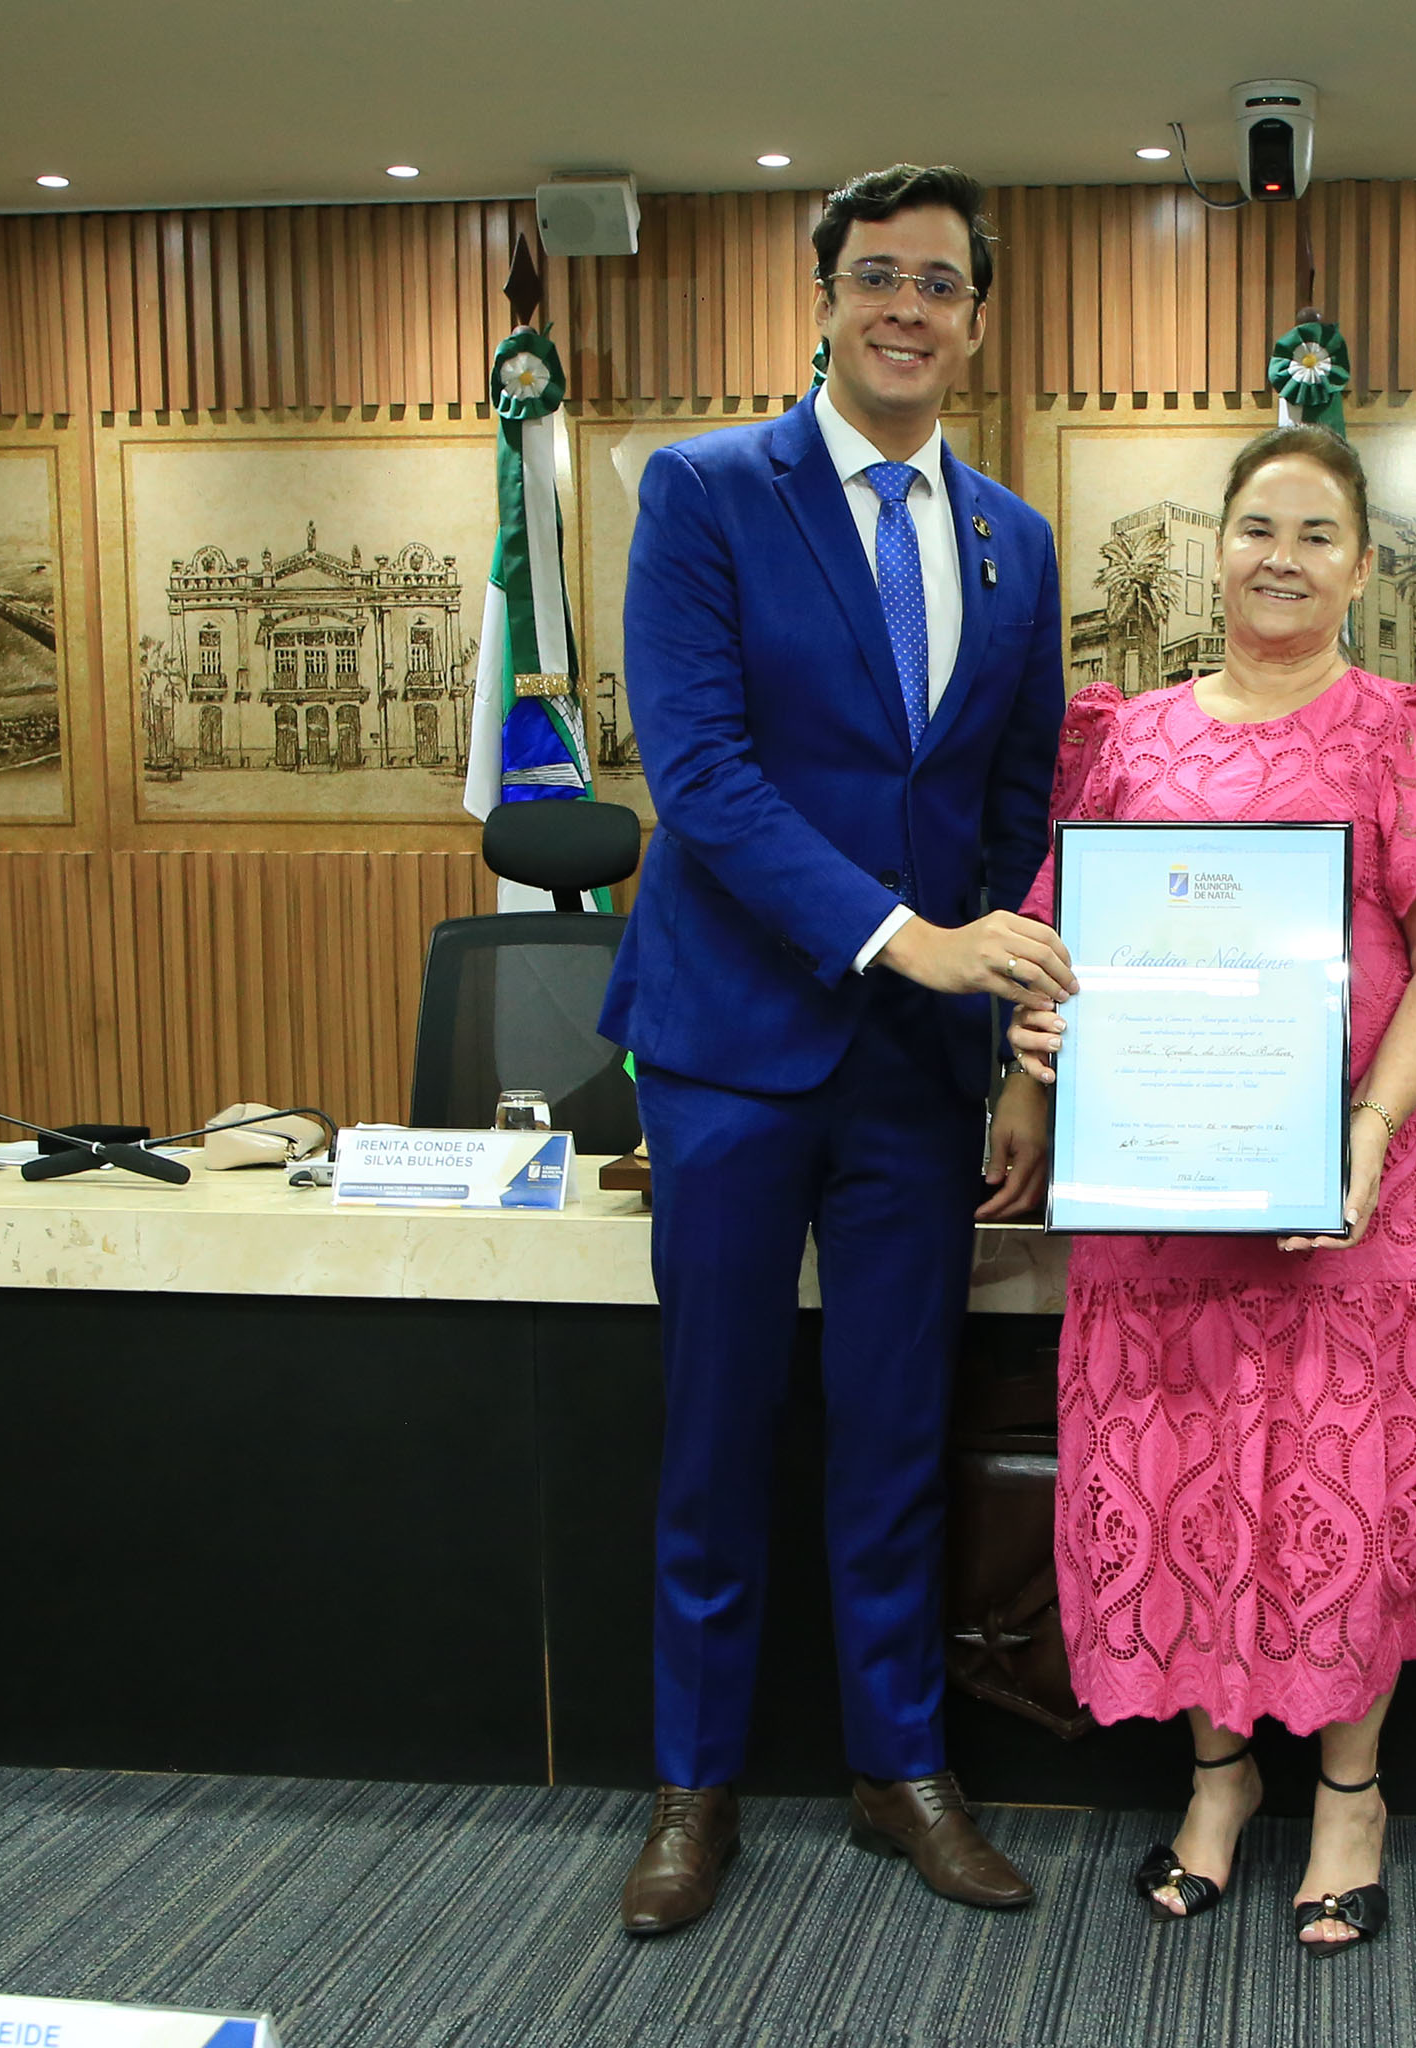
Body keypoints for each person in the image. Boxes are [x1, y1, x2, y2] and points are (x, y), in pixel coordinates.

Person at [596, 163, 1072, 1936]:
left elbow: (1015, 804)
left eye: (940, 283)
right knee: (716, 1433)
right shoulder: (706, 491)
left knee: (897, 1431)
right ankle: (692, 1788)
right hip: (729, 1050)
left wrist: (1009, 1050)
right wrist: (905, 937)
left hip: (918, 1074)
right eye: (878, 275)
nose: (906, 308)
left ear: (975, 319)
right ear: (825, 297)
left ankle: (900, 1769)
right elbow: (701, 776)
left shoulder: (1015, 539)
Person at [1005, 425, 1416, 1954]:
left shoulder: (1406, 729)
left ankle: (1350, 1796)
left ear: (1360, 568)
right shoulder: (1127, 737)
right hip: (1165, 1194)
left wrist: (1365, 1124)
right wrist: (1035, 1052)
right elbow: (1062, 936)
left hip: (1359, 1180)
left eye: (1315, 534)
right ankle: (1217, 1779)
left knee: (1344, 1483)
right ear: (1215, 551)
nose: (1280, 557)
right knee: (1192, 1476)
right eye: (1255, 528)